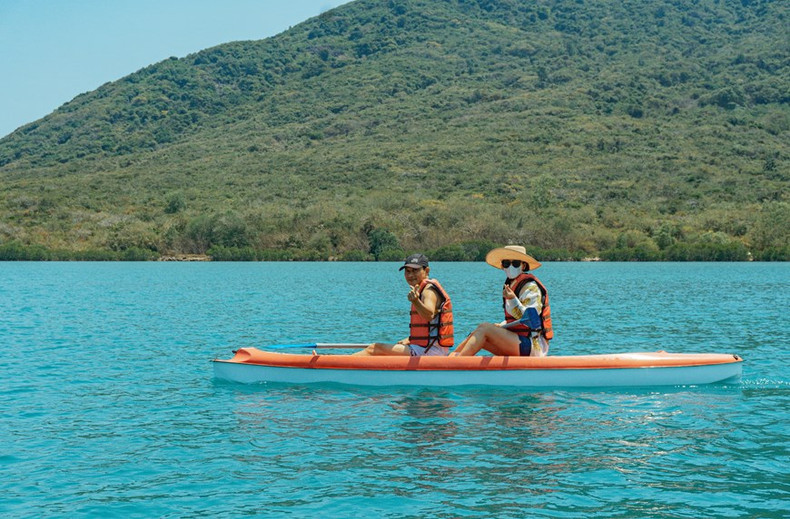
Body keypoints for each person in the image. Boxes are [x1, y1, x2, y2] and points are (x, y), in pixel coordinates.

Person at [450, 245, 553, 357]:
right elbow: (514, 320)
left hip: (533, 345)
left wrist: (513, 299)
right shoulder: (511, 284)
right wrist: (502, 325)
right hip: (518, 341)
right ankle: (450, 359)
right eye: (506, 263)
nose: (510, 267)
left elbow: (530, 319)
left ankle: (456, 362)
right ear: (502, 266)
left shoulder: (530, 287)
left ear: (523, 266)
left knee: (485, 329)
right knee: (477, 332)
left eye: (515, 263)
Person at [354, 253, 454, 356]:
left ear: (426, 271)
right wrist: (410, 339)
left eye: (415, 271)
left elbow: (429, 315)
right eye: (408, 271)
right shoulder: (422, 289)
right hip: (427, 349)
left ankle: (338, 367)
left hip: (429, 352)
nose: (410, 275)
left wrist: (415, 301)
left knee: (375, 349)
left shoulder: (428, 291)